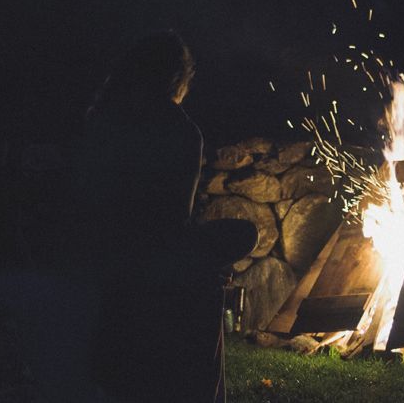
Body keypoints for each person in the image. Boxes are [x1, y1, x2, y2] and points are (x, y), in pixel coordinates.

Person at [38, 31, 255, 402]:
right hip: (146, 255)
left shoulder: (103, 116)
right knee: (244, 234)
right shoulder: (180, 129)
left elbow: (82, 194)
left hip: (95, 246)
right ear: (179, 79)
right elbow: (172, 219)